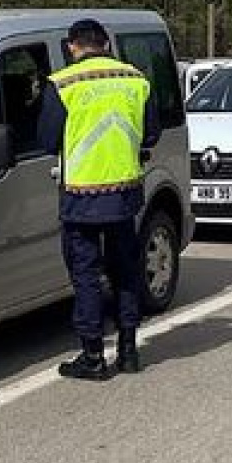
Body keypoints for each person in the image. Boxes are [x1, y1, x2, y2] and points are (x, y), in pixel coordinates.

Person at [38, 19, 161, 380]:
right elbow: (151, 134)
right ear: (106, 44)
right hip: (124, 194)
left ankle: (93, 356)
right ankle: (128, 351)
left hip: (81, 197)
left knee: (86, 275)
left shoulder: (63, 83)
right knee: (125, 272)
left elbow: (47, 141)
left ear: (73, 46)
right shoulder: (136, 80)